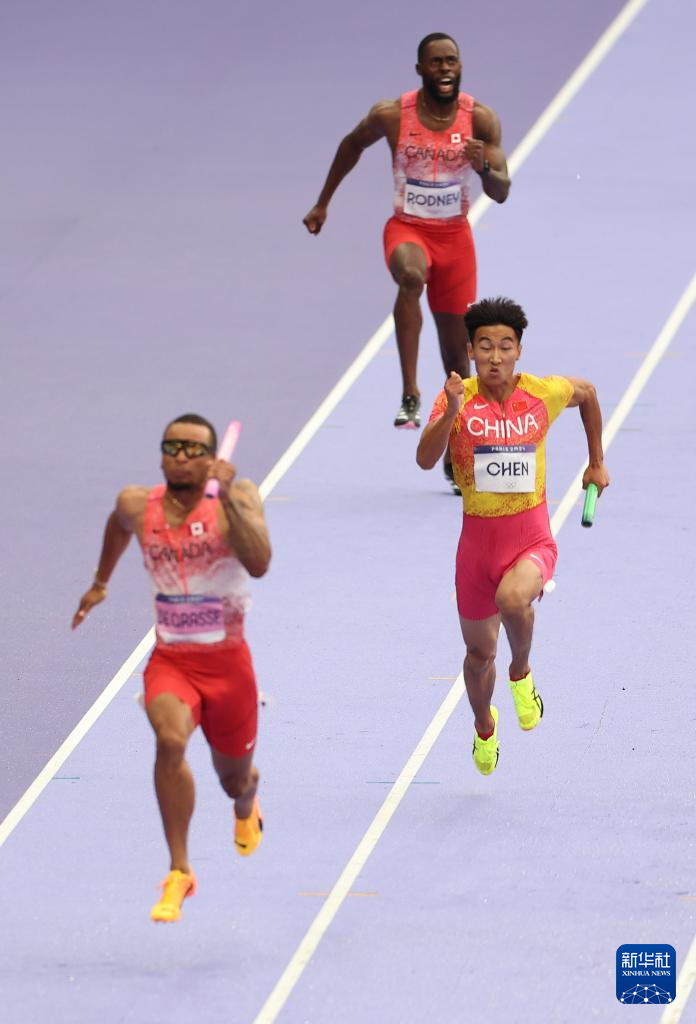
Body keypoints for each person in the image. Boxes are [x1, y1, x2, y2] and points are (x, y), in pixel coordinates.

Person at [72, 413, 271, 922]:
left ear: (212, 457)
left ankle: (246, 802)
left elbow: (259, 562)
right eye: (172, 447)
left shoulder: (238, 496)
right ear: (161, 456)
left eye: (193, 449)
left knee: (234, 780)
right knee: (169, 741)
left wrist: (227, 499)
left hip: (229, 668)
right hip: (172, 661)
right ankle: (180, 870)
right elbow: (117, 527)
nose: (181, 456)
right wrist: (100, 582)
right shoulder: (137, 504)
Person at [303, 32, 510, 488]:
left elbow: (501, 192)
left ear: (460, 66)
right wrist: (323, 202)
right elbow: (351, 144)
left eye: (451, 60)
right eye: (436, 62)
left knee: (457, 357)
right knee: (411, 277)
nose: (445, 68)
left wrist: (482, 167)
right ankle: (410, 391)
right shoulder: (392, 115)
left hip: (455, 239)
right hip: (408, 229)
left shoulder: (481, 119)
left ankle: (455, 452)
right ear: (420, 69)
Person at [416, 298, 609, 775]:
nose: (495, 356)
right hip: (476, 550)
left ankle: (521, 671)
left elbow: (587, 393)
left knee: (513, 598)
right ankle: (484, 724)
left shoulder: (541, 394)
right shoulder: (457, 398)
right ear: (470, 351)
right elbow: (424, 459)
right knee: (478, 656)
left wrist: (596, 462)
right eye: (485, 346)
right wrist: (450, 412)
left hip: (530, 539)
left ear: (519, 350)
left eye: (505, 345)